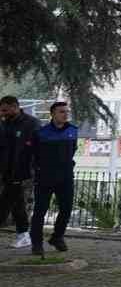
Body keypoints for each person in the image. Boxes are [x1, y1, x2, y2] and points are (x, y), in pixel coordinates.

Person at [29, 101, 77, 256]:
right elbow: (33, 154)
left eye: (66, 112)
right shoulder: (41, 133)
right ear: (53, 114)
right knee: (40, 211)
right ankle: (36, 242)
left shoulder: (72, 131)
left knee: (66, 209)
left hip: (65, 177)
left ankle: (57, 237)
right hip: (45, 177)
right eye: (61, 112)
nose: (65, 114)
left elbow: (73, 149)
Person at [0, 96, 39, 249]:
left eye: (5, 110)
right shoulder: (4, 123)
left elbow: (36, 148)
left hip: (23, 172)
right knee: (17, 204)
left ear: (15, 107)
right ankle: (23, 235)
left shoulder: (31, 123)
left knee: (5, 203)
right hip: (6, 171)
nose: (2, 113)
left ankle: (24, 235)